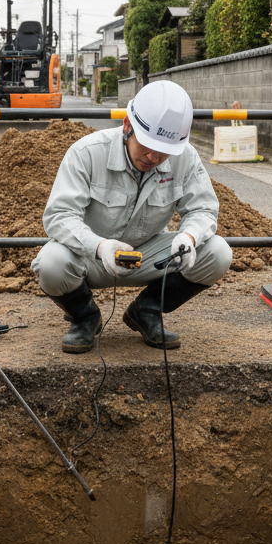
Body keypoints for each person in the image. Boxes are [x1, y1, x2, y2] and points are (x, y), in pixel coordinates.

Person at [32, 81, 232, 352]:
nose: (154, 156)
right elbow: (59, 216)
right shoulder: (87, 153)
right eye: (148, 145)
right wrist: (100, 246)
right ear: (127, 125)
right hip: (91, 256)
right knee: (51, 263)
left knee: (218, 252)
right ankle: (85, 317)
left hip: (149, 256)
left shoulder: (185, 158)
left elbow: (203, 209)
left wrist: (189, 236)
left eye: (165, 152)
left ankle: (147, 309)